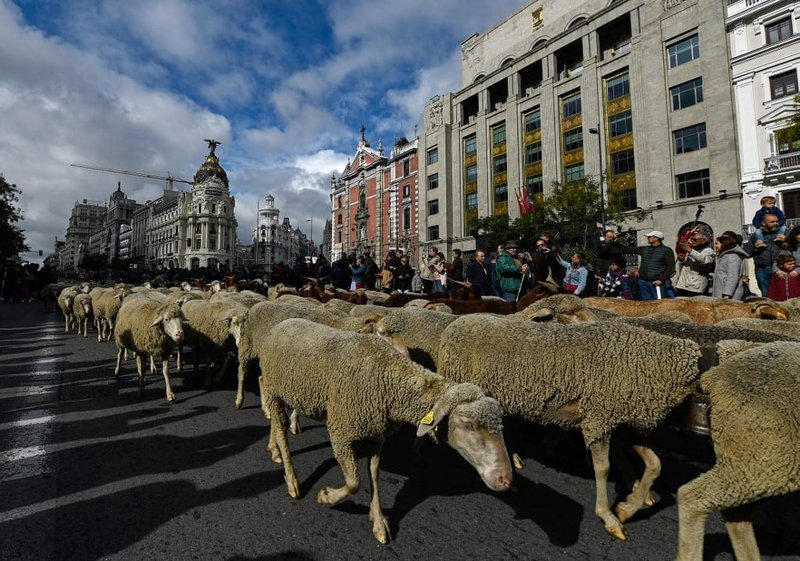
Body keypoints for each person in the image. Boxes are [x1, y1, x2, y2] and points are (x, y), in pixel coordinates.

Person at [747, 211, 786, 297]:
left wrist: (786, 241)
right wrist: (756, 248)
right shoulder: (756, 236)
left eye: (776, 221)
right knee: (766, 295)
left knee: (782, 294)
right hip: (762, 269)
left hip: (780, 268)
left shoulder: (783, 234)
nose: (775, 224)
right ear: (763, 223)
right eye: (772, 222)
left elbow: (791, 250)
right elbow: (748, 253)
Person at [632, 230, 676, 300]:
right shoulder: (645, 249)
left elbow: (671, 267)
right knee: (647, 305)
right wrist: (615, 242)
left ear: (656, 238)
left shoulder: (667, 250)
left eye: (650, 237)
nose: (648, 238)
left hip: (656, 283)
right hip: (643, 282)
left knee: (659, 305)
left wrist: (661, 280)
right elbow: (628, 250)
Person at [674, 229, 715, 297]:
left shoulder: (709, 251)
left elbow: (704, 260)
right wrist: (682, 259)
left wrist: (690, 250)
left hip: (695, 287)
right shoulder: (693, 249)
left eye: (694, 239)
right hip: (682, 285)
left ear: (703, 241)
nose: (692, 241)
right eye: (691, 239)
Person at [711, 234, 749, 300]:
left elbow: (732, 277)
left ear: (724, 244)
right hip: (722, 292)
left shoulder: (732, 258)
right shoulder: (723, 257)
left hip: (729, 295)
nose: (715, 246)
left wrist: (727, 294)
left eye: (717, 244)